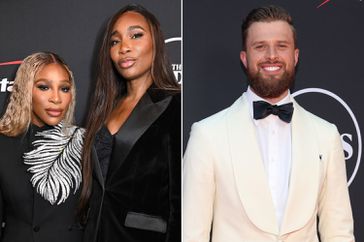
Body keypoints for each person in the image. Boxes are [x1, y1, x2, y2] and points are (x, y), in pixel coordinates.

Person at [183, 5, 355, 242]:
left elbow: (339, 233)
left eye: (281, 46)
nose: (271, 56)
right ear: (245, 58)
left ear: (295, 56)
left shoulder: (326, 135)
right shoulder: (207, 135)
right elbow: (190, 233)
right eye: (260, 47)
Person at [80, 4, 181, 242]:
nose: (124, 47)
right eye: (115, 42)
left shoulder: (175, 105)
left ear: (156, 42)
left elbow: (180, 199)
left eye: (136, 35)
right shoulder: (104, 108)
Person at [0, 52, 84, 242]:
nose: (56, 98)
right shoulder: (3, 143)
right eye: (44, 87)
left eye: (64, 88)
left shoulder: (85, 143)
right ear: (25, 89)